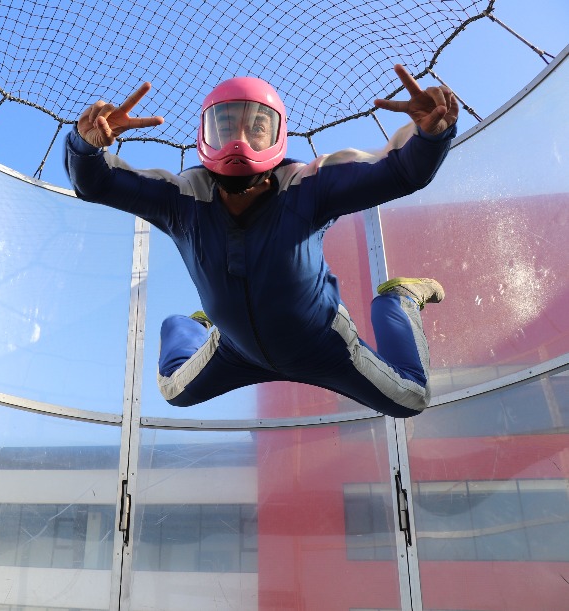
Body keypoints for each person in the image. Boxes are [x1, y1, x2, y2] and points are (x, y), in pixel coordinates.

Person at [64, 65, 458, 418]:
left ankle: (398, 299)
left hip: (323, 345)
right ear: (207, 133)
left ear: (277, 133)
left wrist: (429, 135)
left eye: (256, 127)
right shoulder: (181, 200)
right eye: (226, 125)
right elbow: (94, 182)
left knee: (412, 398)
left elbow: (403, 172)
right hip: (234, 348)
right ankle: (190, 326)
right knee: (173, 391)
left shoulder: (309, 186)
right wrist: (87, 144)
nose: (239, 139)